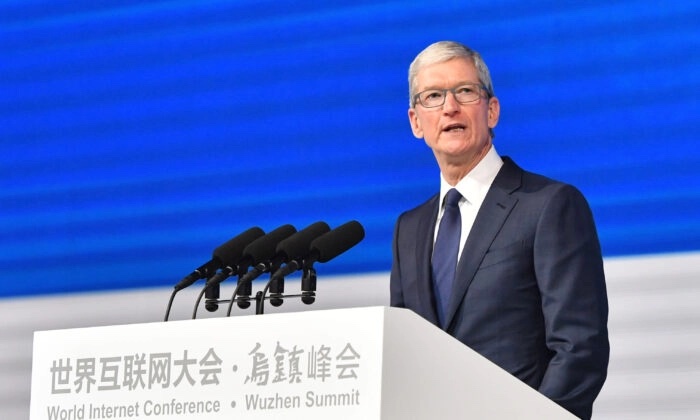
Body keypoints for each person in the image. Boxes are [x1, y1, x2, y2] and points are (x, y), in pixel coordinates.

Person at [390, 41, 609, 419]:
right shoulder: (408, 229)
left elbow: (580, 348)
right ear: (415, 122)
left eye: (465, 91)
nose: (449, 107)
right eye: (433, 96)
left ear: (491, 110)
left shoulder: (548, 205)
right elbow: (403, 354)